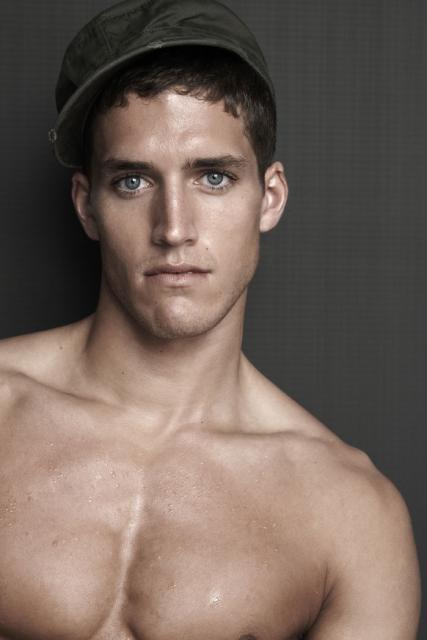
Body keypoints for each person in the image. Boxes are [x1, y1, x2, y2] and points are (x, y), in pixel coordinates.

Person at [0, 0, 421, 638]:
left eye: (214, 178)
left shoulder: (352, 515)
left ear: (269, 197)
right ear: (87, 206)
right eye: (133, 182)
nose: (174, 228)